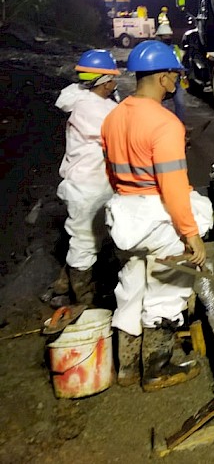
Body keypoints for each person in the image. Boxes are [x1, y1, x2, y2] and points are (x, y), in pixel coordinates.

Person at [101, 40, 213, 391]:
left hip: (123, 214)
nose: (177, 82)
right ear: (164, 78)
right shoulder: (165, 124)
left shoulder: (114, 115)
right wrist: (191, 235)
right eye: (176, 77)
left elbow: (111, 173)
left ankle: (127, 369)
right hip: (155, 216)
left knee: (131, 284)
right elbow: (174, 188)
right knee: (167, 288)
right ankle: (157, 368)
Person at [48, 49, 120, 308]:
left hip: (80, 182)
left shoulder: (80, 98)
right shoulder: (96, 109)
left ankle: (63, 284)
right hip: (89, 185)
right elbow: (123, 136)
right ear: (104, 81)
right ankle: (83, 300)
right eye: (113, 77)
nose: (116, 82)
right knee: (86, 241)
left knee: (86, 235)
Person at [156, 23, 187, 124]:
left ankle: (180, 125)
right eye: (165, 36)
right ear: (160, 37)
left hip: (176, 79)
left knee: (180, 104)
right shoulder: (157, 50)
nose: (168, 38)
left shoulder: (175, 48)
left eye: (169, 35)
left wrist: (183, 77)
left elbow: (179, 64)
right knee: (162, 106)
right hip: (162, 80)